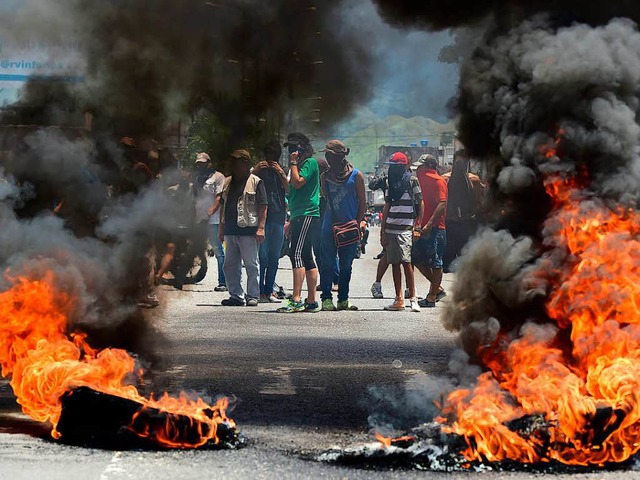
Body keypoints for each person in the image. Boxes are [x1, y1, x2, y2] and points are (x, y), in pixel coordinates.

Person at [319, 140, 366, 311]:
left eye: (329, 154)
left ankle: (343, 299)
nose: (326, 157)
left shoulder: (356, 176)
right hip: (329, 227)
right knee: (327, 263)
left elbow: (362, 202)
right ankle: (326, 298)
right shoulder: (325, 176)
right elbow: (324, 196)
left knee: (346, 265)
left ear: (339, 156)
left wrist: (358, 222)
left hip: (349, 228)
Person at [277, 132, 321, 313]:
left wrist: (293, 164)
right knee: (306, 255)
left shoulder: (309, 163)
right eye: (290, 149)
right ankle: (311, 301)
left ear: (303, 148)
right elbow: (291, 189)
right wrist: (282, 173)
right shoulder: (297, 166)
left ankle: (296, 299)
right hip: (298, 213)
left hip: (307, 213)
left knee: (295, 253)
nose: (292, 151)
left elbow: (297, 183)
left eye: (295, 148)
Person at [218, 149, 267, 307]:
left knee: (251, 264)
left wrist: (261, 228)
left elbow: (263, 206)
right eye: (233, 162)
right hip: (230, 230)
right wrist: (221, 228)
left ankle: (253, 295)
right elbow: (222, 206)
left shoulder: (256, 182)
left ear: (246, 164)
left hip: (248, 230)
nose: (234, 165)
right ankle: (236, 296)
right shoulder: (227, 182)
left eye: (238, 162)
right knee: (230, 265)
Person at [380, 152, 423, 312]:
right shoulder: (389, 182)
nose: (393, 169)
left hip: (406, 228)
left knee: (407, 263)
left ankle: (413, 298)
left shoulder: (412, 180)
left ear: (403, 166)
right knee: (394, 263)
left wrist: (417, 226)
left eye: (396, 166)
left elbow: (420, 202)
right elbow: (387, 206)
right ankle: (399, 299)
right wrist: (383, 230)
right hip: (391, 227)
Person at [253, 141, 288, 303]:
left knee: (274, 256)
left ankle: (269, 291)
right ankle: (259, 291)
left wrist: (281, 173)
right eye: (267, 155)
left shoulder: (282, 170)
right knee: (262, 256)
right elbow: (247, 185)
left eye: (272, 155)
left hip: (278, 217)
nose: (269, 158)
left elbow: (289, 190)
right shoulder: (258, 171)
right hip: (262, 218)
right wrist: (255, 170)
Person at [412, 154, 448, 308]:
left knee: (436, 262)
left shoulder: (438, 181)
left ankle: (432, 296)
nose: (418, 169)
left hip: (435, 228)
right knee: (415, 258)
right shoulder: (418, 180)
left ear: (429, 166)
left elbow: (442, 203)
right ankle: (437, 289)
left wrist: (429, 224)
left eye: (421, 166)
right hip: (420, 227)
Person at [441, 149, 485, 272]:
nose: (461, 165)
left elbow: (478, 201)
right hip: (449, 221)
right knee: (447, 261)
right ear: (454, 162)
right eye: (459, 162)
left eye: (464, 162)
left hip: (466, 221)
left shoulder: (474, 180)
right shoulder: (445, 179)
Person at [201, 152, 227, 292]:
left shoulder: (218, 177)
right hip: (199, 218)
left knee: (218, 251)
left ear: (209, 163)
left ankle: (223, 281)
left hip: (213, 220)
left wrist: (209, 212)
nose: (200, 166)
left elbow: (219, 198)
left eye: (203, 163)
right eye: (198, 164)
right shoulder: (198, 177)